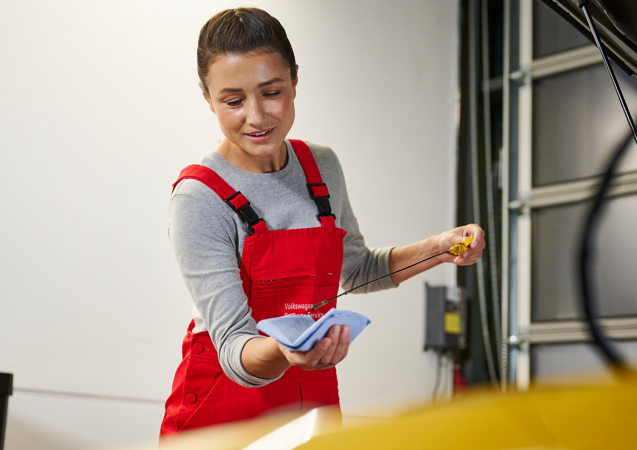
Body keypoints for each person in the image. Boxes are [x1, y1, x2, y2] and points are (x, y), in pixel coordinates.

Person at [160, 7, 485, 436]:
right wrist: (287, 350)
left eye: (272, 92)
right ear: (208, 98)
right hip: (225, 408)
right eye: (233, 101)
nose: (256, 117)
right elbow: (234, 347)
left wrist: (437, 249)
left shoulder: (321, 167)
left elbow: (358, 271)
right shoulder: (199, 197)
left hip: (311, 396)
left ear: (295, 79)